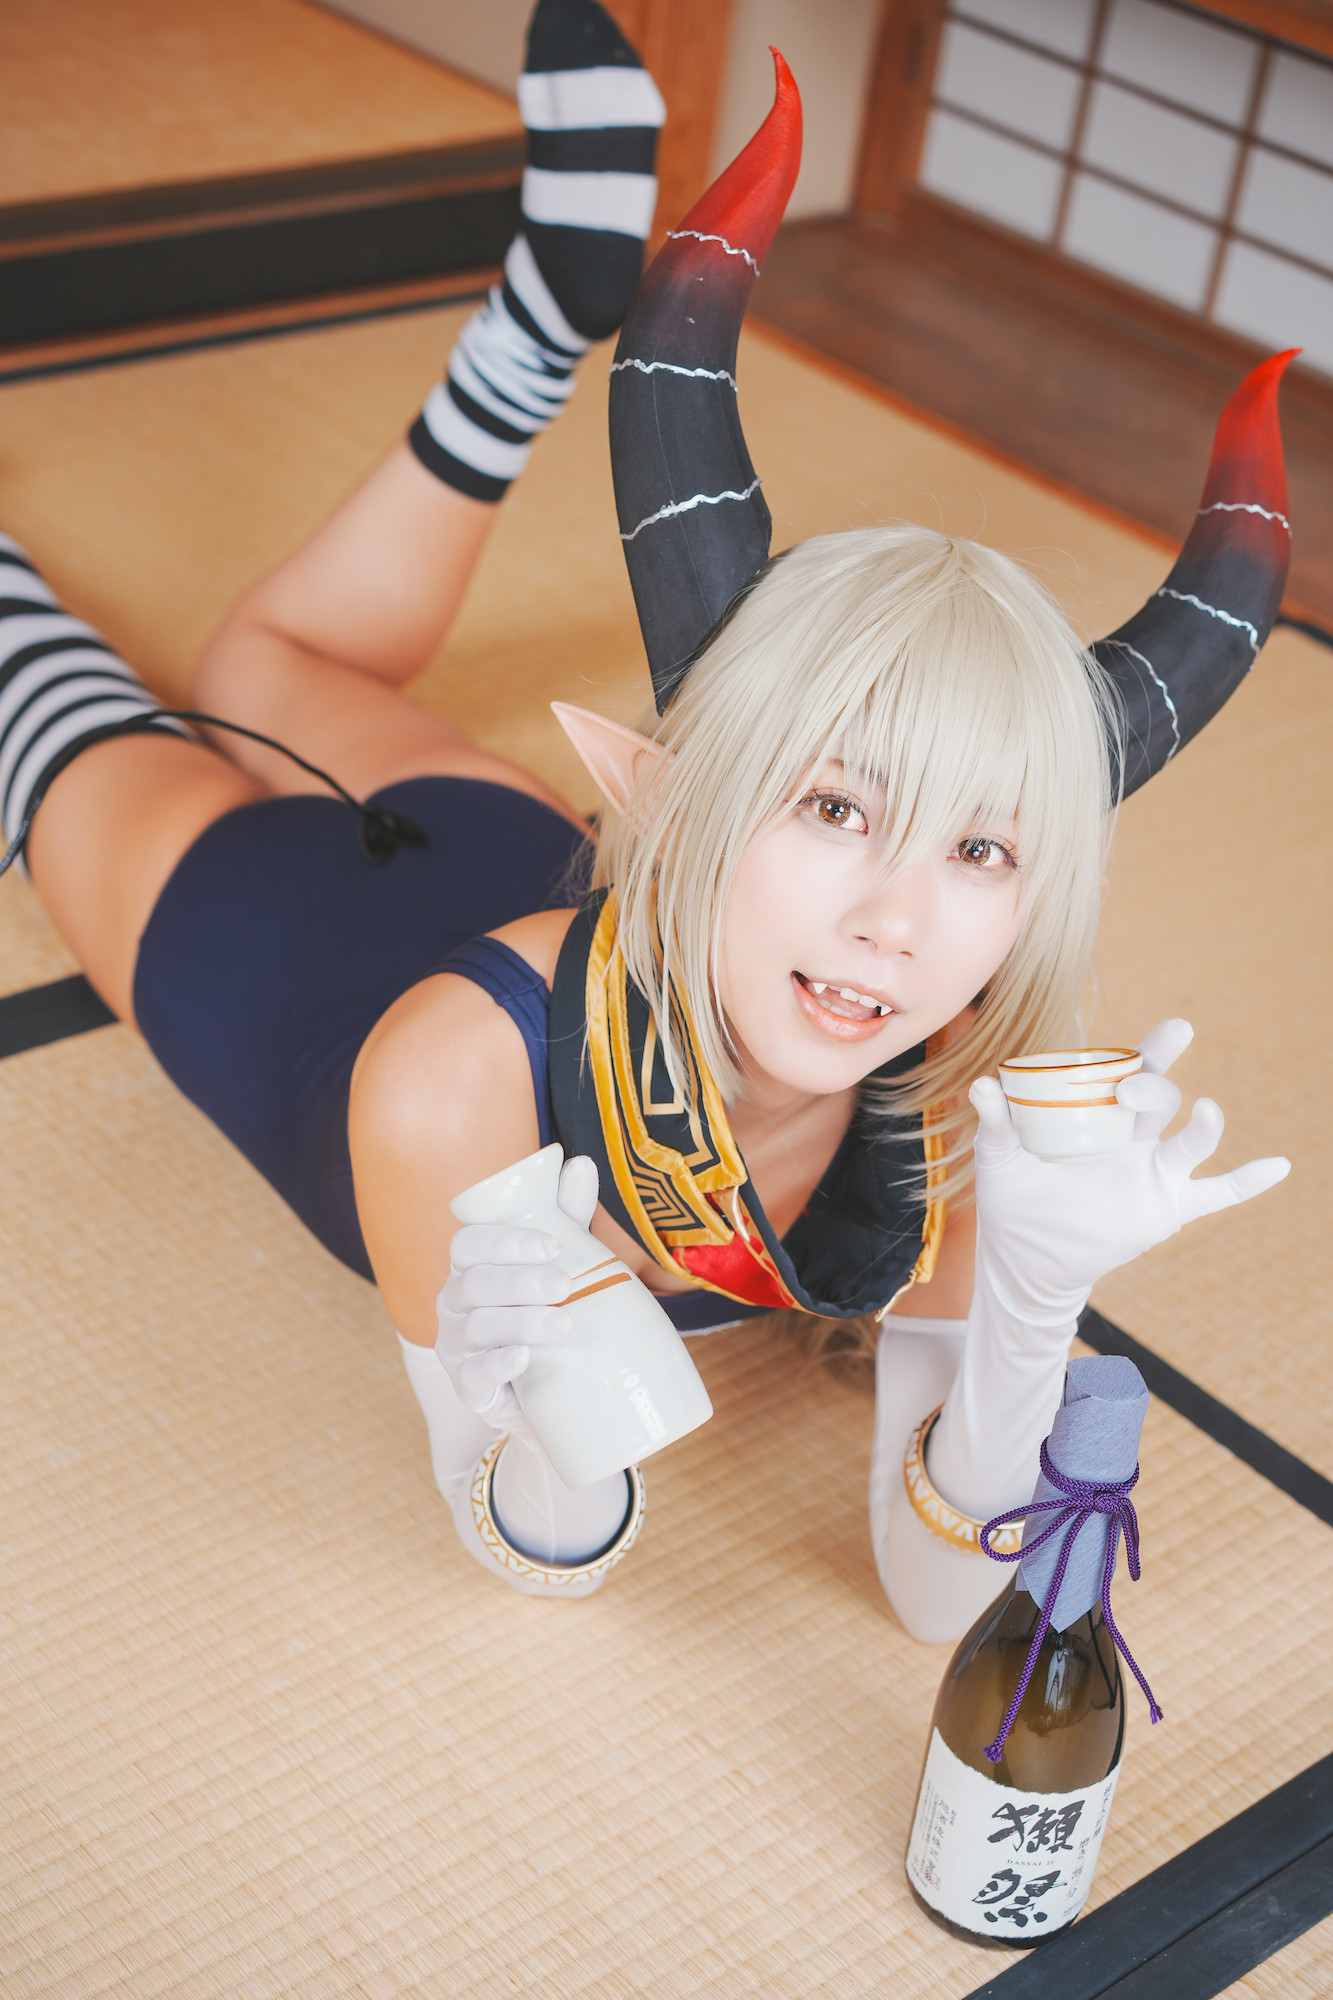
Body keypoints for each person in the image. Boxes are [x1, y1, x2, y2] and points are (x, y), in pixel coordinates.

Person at [0, 4, 1292, 1608]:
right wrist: (528, 1419)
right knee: (46, 697)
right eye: (834, 809)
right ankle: (545, 321)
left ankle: (540, 308)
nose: (894, 922)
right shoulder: (442, 1084)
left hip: (522, 853)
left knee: (273, 659)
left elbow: (942, 1603)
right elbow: (536, 1548)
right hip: (275, 940)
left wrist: (1034, 1293)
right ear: (676, 800)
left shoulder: (973, 1107)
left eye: (977, 846)